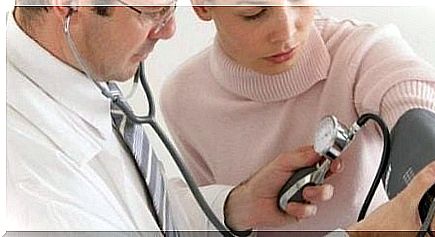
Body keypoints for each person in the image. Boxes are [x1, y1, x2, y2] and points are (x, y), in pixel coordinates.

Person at [6, 0, 335, 232]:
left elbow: (138, 218)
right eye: (152, 12)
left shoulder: (82, 81)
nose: (169, 30)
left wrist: (237, 205)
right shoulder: (27, 183)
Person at [160, 0, 435, 233]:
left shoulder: (360, 50)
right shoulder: (182, 98)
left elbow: (410, 97)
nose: (286, 32)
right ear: (201, 6)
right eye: (254, 13)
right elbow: (208, 221)